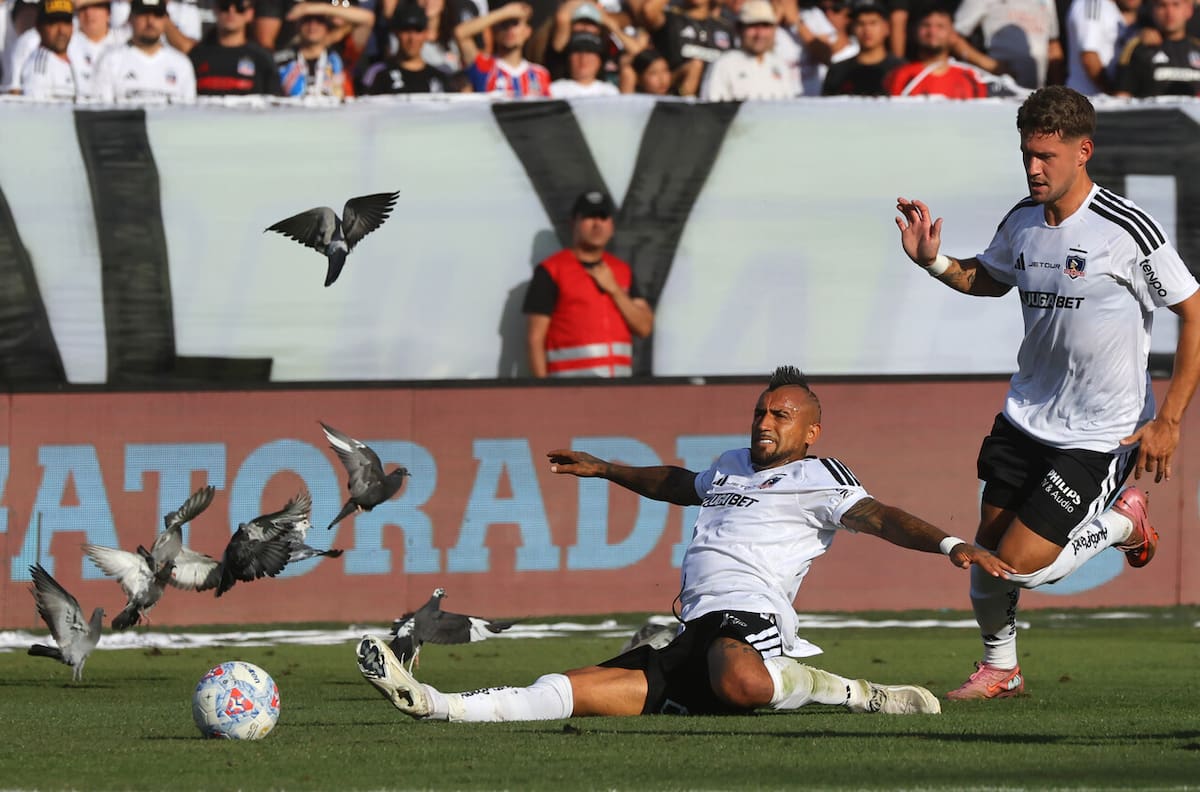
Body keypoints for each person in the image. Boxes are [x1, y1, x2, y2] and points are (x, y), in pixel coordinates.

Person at [356, 366, 1014, 722]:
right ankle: (435, 704)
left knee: (743, 682)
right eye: (760, 411)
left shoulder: (820, 476)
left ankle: (857, 693)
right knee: (576, 689)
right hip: (690, 629)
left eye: (781, 415)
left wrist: (952, 543)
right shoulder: (730, 463)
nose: (764, 422)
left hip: (748, 619)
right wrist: (609, 469)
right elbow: (680, 483)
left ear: (811, 430)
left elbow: (880, 516)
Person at [894, 85, 1200, 700]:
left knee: (1023, 568)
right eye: (1027, 155)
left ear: (1082, 151)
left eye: (1046, 156)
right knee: (986, 556)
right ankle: (1000, 669)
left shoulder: (1128, 230)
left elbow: (1194, 312)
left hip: (1100, 432)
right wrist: (934, 262)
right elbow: (990, 279)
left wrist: (1168, 419)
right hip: (1026, 417)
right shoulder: (1022, 221)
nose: (1034, 168)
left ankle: (1123, 523)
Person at [523, 189, 653, 379]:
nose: (597, 224)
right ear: (573, 223)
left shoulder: (622, 271)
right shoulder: (551, 271)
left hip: (618, 391)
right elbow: (535, 339)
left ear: (612, 226)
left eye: (603, 217)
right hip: (570, 392)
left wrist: (615, 290)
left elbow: (644, 327)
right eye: (589, 217)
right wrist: (545, 394)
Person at [92, 0, 196, 103]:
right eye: (143, 14)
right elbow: (101, 112)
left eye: (157, 14)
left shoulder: (181, 64)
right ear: (130, 18)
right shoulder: (110, 61)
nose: (150, 21)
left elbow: (188, 113)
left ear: (166, 20)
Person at [952, 0, 1063, 89]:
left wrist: (1058, 88)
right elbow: (952, 36)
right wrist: (990, 65)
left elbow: (1053, 45)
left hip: (1036, 91)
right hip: (1000, 90)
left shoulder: (1048, 1)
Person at [701, 0, 799, 99]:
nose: (760, 34)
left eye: (765, 26)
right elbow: (710, 110)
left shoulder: (781, 66)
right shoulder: (724, 65)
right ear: (739, 28)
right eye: (753, 26)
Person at [883, 5, 988, 97]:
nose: (932, 32)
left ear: (953, 34)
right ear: (915, 31)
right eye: (926, 25)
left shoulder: (972, 77)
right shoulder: (900, 76)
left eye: (940, 26)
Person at [454, 0, 550, 97]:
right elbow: (460, 34)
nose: (509, 30)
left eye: (515, 23)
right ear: (495, 31)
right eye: (504, 24)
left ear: (527, 31)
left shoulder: (540, 74)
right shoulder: (485, 67)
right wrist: (505, 12)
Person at [640, 0, 735, 93]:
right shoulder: (671, 18)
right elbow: (648, 11)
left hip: (715, 96)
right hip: (672, 92)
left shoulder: (724, 28)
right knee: (695, 65)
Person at [189, 0, 282, 94]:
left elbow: (274, 103)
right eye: (224, 5)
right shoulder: (197, 55)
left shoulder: (262, 59)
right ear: (215, 9)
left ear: (250, 13)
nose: (231, 11)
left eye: (239, 7)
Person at [358, 3, 453, 93]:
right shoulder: (378, 74)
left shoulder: (440, 77)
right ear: (396, 33)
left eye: (417, 31)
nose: (412, 38)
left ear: (426, 34)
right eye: (406, 31)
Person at [1114, 0, 1200, 96]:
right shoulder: (1138, 49)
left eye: (1176, 5)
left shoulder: (1197, 48)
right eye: (1162, 6)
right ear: (1152, 10)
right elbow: (1121, 99)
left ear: (1189, 10)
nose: (1169, 12)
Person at [822, 0, 903, 95]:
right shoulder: (838, 71)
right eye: (860, 23)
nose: (867, 30)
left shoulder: (901, 69)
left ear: (887, 28)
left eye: (873, 23)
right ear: (853, 28)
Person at [1065, 0, 1142, 95]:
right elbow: (1089, 56)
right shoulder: (1091, 3)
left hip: (1104, 100)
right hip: (1090, 99)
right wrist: (1112, 93)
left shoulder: (1112, 8)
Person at [17, 0, 77, 99]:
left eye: (66, 22)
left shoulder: (78, 55)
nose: (61, 30)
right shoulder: (39, 65)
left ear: (72, 26)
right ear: (39, 27)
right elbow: (36, 111)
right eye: (53, 23)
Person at [69, 0, 121, 99]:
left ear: (109, 13)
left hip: (114, 111)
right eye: (83, 8)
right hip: (77, 109)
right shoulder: (67, 41)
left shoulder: (123, 37)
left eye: (96, 6)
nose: (89, 13)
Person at [549, 29, 620, 96]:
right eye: (577, 51)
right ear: (568, 59)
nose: (583, 58)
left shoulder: (610, 92)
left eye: (589, 51)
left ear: (600, 61)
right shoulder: (553, 91)